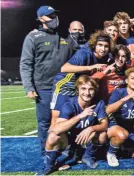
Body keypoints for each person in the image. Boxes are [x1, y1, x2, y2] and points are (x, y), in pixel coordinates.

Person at [20, 5, 74, 157]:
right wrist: (28, 87)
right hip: (43, 87)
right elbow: (25, 63)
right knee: (44, 122)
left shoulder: (64, 35)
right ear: (41, 19)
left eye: (55, 15)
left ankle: (64, 150)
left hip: (63, 86)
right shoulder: (32, 37)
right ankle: (47, 154)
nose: (54, 18)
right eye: (50, 16)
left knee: (64, 120)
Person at [37, 75, 108, 175]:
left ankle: (87, 156)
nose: (87, 93)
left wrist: (90, 128)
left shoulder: (99, 103)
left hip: (86, 139)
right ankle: (50, 165)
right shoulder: (69, 104)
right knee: (53, 136)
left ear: (95, 91)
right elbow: (56, 128)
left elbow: (105, 125)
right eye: (83, 88)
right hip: (69, 140)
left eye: (91, 89)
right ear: (77, 90)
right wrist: (80, 116)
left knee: (102, 135)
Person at [50, 31, 113, 142]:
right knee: (56, 119)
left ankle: (72, 146)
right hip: (65, 85)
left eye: (106, 46)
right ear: (94, 45)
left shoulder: (106, 57)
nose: (103, 49)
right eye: (100, 45)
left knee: (75, 116)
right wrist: (90, 67)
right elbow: (64, 68)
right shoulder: (84, 53)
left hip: (79, 86)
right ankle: (51, 146)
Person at [105, 68, 134, 167]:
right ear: (126, 81)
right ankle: (110, 153)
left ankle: (119, 148)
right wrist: (126, 98)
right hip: (113, 125)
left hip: (128, 129)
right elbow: (108, 110)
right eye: (132, 78)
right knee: (121, 134)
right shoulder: (119, 92)